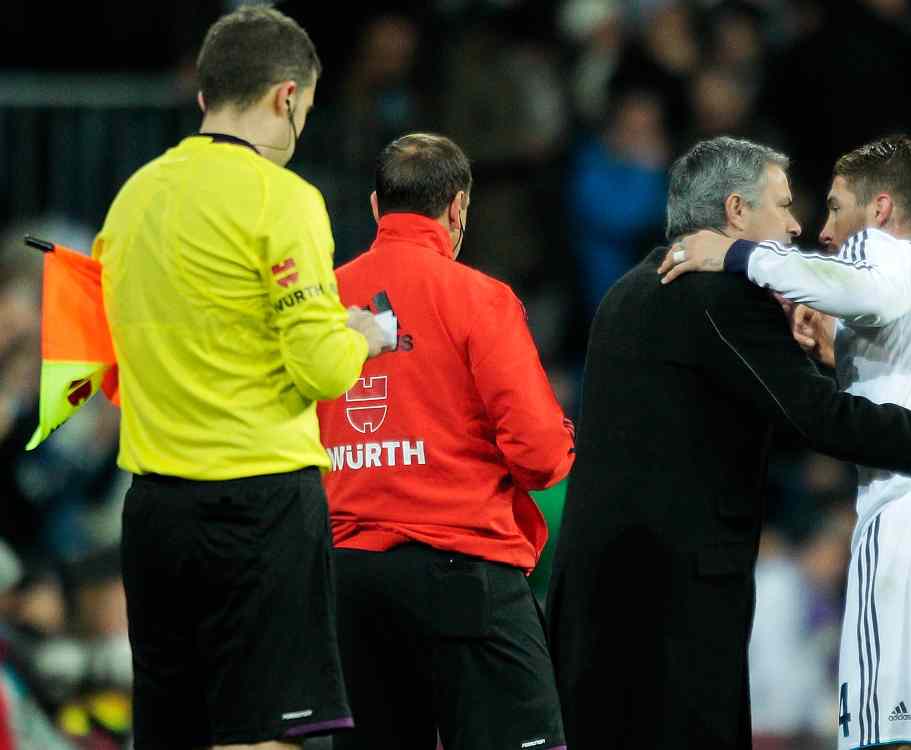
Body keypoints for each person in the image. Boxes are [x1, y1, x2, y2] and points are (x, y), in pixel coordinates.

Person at [547, 135, 911, 750]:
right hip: (671, 604)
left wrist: (819, 354)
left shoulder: (630, 290)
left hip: (598, 597)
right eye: (784, 204)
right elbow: (820, 420)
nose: (796, 226)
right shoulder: (718, 294)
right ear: (736, 212)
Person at [663, 135, 911, 750]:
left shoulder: (882, 254)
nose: (823, 230)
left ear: (878, 210)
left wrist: (740, 255)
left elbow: (873, 288)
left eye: (834, 206)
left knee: (889, 738)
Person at [92, 7, 390, 749]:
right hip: (258, 509)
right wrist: (363, 334)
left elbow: (108, 352)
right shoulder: (282, 198)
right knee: (264, 736)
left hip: (154, 513)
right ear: (286, 97)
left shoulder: (132, 198)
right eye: (308, 109)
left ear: (206, 97)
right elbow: (321, 367)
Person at [315, 133, 576, 750]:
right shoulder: (480, 300)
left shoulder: (320, 302)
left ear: (378, 208)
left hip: (345, 582)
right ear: (458, 209)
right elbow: (541, 458)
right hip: (464, 576)